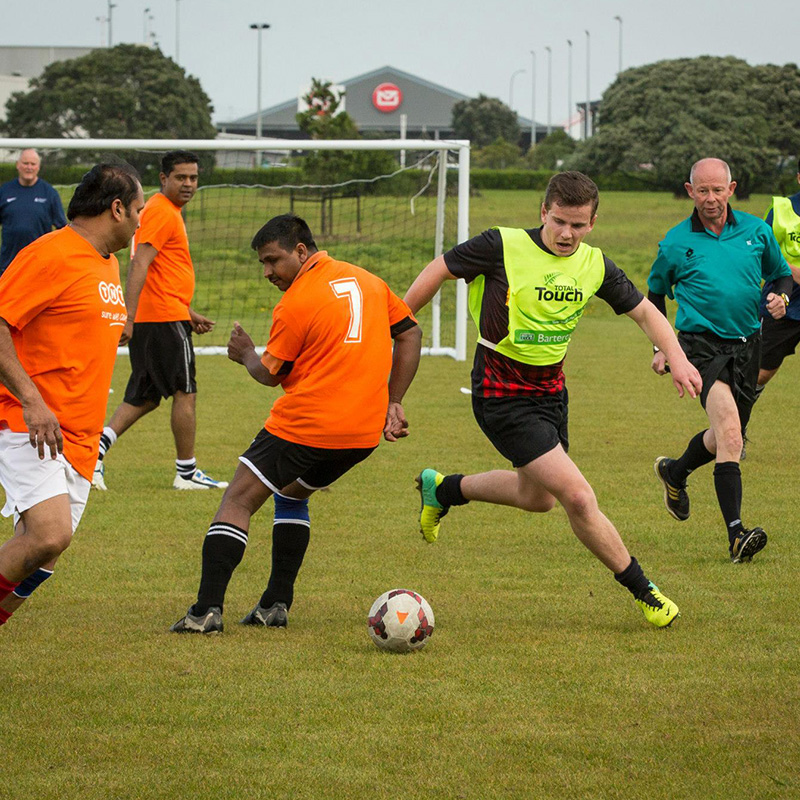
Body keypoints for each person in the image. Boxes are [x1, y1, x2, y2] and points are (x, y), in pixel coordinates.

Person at [405, 171, 700, 629]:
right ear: (544, 212)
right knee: (579, 498)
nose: (567, 234)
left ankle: (442, 489)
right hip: (500, 392)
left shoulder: (594, 264)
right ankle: (646, 592)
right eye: (559, 221)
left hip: (551, 393)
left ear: (593, 223)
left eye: (578, 226)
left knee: (536, 498)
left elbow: (644, 310)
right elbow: (439, 268)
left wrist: (675, 355)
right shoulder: (501, 244)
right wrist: (400, 322)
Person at [170, 214, 421, 633]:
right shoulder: (369, 281)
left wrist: (246, 352)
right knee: (291, 496)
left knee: (237, 501)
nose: (268, 271)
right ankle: (274, 605)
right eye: (263, 264)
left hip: (305, 426)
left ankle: (205, 612)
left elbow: (271, 373)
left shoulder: (297, 300)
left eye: (273, 260)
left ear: (301, 251)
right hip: (360, 435)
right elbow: (410, 333)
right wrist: (394, 401)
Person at [0, 162, 144, 628]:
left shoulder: (108, 262)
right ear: (117, 208)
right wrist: (31, 399)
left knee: (43, 559)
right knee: (48, 535)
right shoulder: (51, 253)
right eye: (139, 209)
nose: (142, 221)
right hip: (31, 423)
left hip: (76, 438)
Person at [648, 158, 792, 563]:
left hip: (749, 346)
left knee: (724, 437)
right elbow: (654, 296)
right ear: (689, 190)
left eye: (718, 190)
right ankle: (736, 535)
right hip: (699, 348)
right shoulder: (675, 243)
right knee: (731, 435)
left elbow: (781, 276)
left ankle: (675, 472)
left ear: (731, 189)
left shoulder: (757, 232)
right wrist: (661, 349)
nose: (711, 199)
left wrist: (779, 298)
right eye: (702, 190)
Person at [93, 150, 226, 491]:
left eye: (193, 177)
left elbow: (162, 271)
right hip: (160, 318)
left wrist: (189, 312)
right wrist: (129, 317)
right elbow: (139, 263)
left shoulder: (164, 211)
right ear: (163, 179)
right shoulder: (162, 212)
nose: (188, 184)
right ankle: (187, 472)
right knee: (185, 391)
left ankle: (92, 455)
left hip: (166, 313)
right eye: (181, 177)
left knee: (144, 396)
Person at [756, 160, 800, 395]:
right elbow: (761, 253)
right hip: (782, 301)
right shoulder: (782, 209)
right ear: (799, 177)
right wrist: (792, 273)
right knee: (761, 370)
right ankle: (733, 425)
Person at [0, 148, 67, 276]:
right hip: (9, 263)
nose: (29, 167)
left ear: (38, 167)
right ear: (17, 165)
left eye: (33, 164)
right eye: (25, 163)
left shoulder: (49, 193)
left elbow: (62, 229)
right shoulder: (5, 191)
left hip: (40, 264)